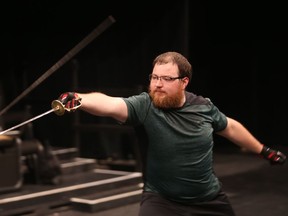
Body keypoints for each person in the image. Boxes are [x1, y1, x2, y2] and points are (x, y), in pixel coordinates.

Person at [57, 51, 286, 216]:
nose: (158, 84)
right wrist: (80, 99)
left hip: (208, 200)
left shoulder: (203, 107)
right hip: (161, 202)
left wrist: (264, 151)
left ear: (184, 81)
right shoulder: (145, 106)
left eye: (166, 79)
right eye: (155, 77)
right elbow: (111, 104)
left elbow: (230, 127)